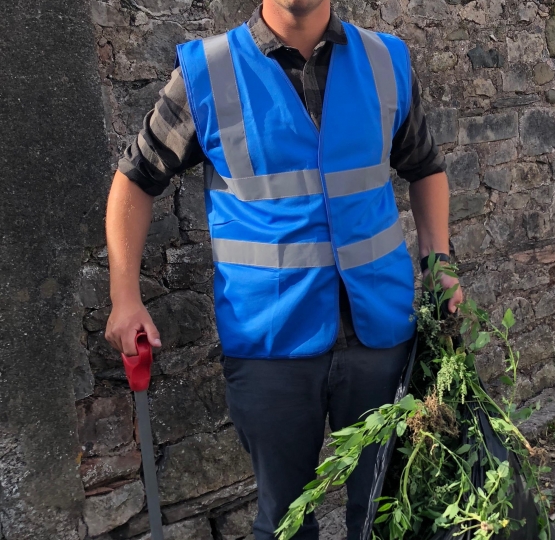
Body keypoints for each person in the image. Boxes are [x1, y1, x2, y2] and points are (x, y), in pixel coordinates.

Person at [104, 0, 462, 538]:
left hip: (380, 335)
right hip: (270, 344)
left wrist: (440, 263)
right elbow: (133, 180)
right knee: (285, 523)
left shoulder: (386, 61)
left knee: (392, 510)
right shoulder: (209, 71)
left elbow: (425, 167)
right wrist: (125, 297)